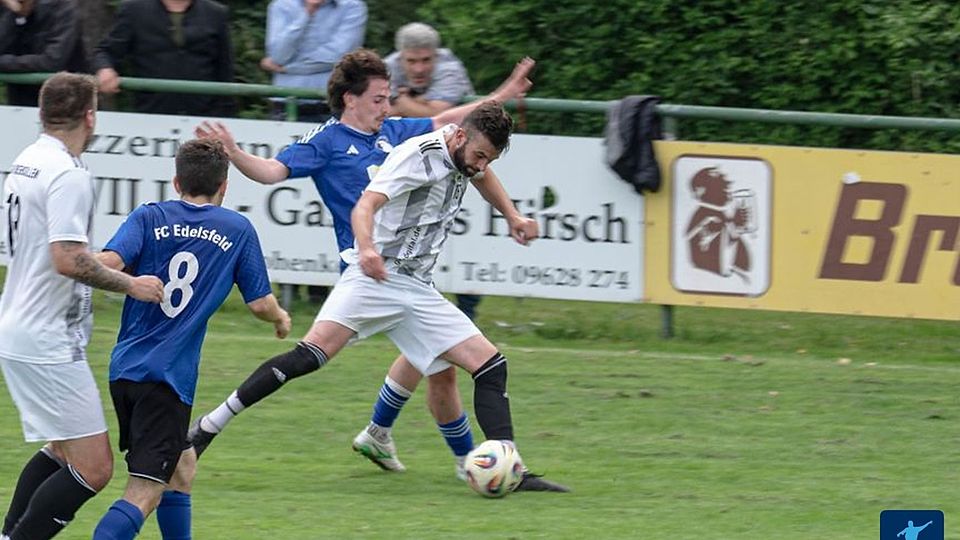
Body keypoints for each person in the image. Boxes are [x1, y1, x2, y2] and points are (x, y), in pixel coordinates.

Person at [189, 50, 557, 489]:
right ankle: (206, 428)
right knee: (311, 357)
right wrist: (234, 153)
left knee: (460, 369)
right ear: (350, 99)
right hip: (369, 273)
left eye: (388, 98)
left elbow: (458, 124)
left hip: (414, 281)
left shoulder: (397, 132)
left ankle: (492, 466)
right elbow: (272, 173)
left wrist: (502, 96)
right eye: (380, 99)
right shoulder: (326, 143)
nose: (388, 107)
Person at [91, 138, 290, 540]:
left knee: (182, 469)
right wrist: (281, 317)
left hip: (125, 369)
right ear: (225, 185)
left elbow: (105, 265)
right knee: (145, 493)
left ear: (176, 181)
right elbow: (259, 303)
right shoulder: (236, 228)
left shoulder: (148, 216)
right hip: (165, 380)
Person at [0, 72, 164, 540]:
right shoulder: (68, 173)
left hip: (20, 325)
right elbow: (68, 258)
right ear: (90, 116)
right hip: (46, 338)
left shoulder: (29, 159)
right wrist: (130, 284)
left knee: (60, 450)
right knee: (94, 469)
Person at [385, 21, 483, 320]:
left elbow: (439, 117)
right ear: (400, 56)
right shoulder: (386, 67)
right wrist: (417, 105)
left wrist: (402, 101)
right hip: (412, 159)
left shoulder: (450, 67)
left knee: (456, 232)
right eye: (411, 61)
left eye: (426, 60)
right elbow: (383, 111)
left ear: (436, 56)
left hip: (454, 162)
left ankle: (467, 308)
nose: (418, 68)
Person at [92, 0, 235, 117]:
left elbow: (225, 68)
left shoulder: (216, 13)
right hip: (150, 115)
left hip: (205, 118)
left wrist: (225, 115)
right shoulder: (133, 10)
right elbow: (106, 52)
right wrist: (105, 69)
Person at [262, 0, 367, 122]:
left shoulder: (353, 7)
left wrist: (287, 68)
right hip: (285, 108)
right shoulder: (281, 6)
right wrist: (306, 13)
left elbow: (339, 56)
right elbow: (278, 55)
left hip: (332, 108)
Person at [0, 0, 88, 106]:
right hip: (20, 103)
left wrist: (6, 62)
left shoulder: (64, 9)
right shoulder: (9, 10)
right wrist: (19, 16)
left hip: (65, 103)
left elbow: (52, 60)